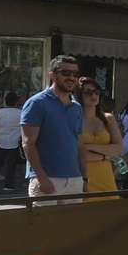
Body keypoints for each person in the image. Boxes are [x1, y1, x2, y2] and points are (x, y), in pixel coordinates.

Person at [21, 56, 86, 202]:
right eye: (65, 73)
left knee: (72, 225)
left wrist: (84, 178)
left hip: (75, 179)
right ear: (52, 75)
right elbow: (28, 143)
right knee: (44, 225)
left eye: (75, 74)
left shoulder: (77, 107)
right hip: (47, 179)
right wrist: (41, 177)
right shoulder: (36, 103)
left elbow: (80, 145)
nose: (71, 78)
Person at [78, 79, 124, 199]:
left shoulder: (108, 118)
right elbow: (77, 154)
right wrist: (106, 154)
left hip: (106, 177)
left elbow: (118, 149)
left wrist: (90, 147)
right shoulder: (74, 119)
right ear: (79, 95)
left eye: (96, 92)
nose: (93, 95)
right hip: (82, 178)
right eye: (87, 92)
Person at [0, 92, 24, 190]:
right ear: (16, 101)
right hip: (15, 141)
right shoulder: (20, 113)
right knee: (11, 164)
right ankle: (8, 185)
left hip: (0, 140)